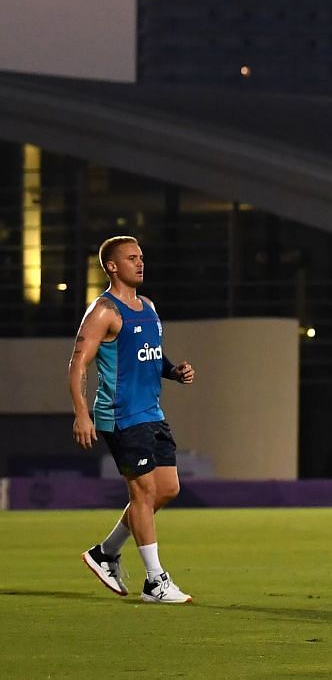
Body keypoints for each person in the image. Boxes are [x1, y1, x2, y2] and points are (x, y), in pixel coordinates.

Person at [69, 236, 196, 602]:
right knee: (142, 493)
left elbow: (151, 355)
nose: (140, 263)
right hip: (120, 415)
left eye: (141, 256)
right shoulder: (103, 312)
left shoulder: (148, 306)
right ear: (112, 266)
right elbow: (78, 363)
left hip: (151, 412)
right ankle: (155, 582)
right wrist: (81, 413)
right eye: (131, 258)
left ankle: (104, 552)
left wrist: (173, 371)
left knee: (168, 489)